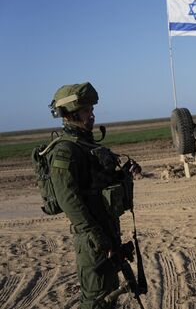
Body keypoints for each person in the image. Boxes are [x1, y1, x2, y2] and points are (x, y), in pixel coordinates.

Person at [47, 82, 141, 308]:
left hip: (107, 230)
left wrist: (123, 175)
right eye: (86, 110)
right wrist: (97, 237)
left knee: (109, 293)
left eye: (91, 109)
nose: (92, 115)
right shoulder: (65, 150)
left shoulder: (86, 146)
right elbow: (69, 200)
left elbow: (98, 185)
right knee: (96, 300)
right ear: (70, 113)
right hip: (93, 240)